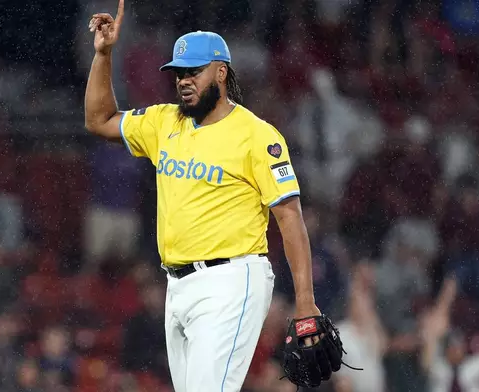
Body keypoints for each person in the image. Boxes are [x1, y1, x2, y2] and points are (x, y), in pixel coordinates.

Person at [84, 1, 327, 390]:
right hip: (177, 285)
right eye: (179, 73)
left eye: (193, 72)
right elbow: (99, 121)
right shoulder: (165, 122)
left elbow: (289, 217)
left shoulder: (257, 135)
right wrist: (104, 54)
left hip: (232, 279)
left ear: (220, 72)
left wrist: (304, 303)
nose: (183, 80)